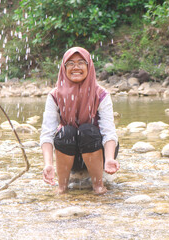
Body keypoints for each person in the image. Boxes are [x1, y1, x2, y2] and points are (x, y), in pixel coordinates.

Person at [40, 47, 119, 194]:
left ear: (89, 66)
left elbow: (109, 131)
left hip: (99, 152)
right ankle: (62, 187)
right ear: (63, 68)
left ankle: (98, 185)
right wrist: (48, 164)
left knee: (87, 130)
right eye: (70, 63)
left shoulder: (100, 94)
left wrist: (109, 159)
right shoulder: (55, 95)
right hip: (71, 157)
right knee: (66, 132)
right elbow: (47, 133)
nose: (76, 67)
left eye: (81, 62)